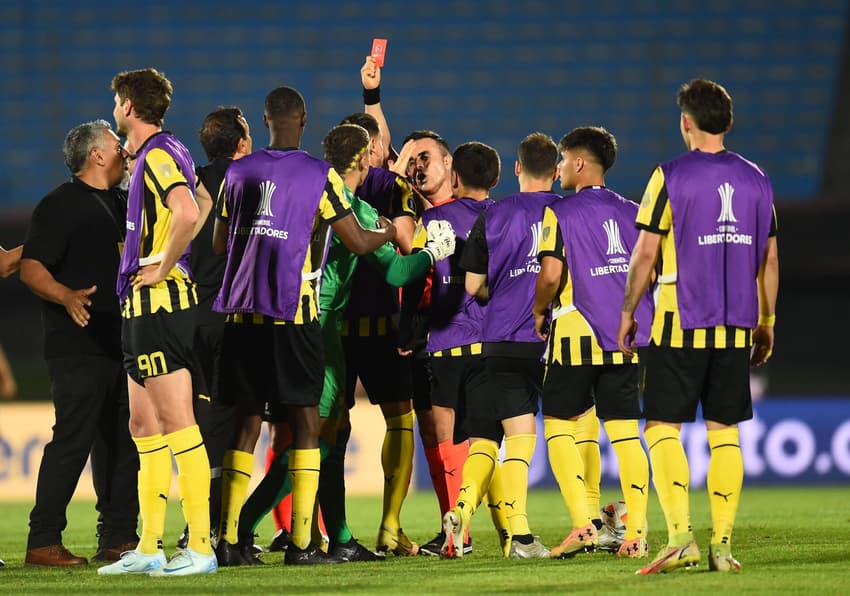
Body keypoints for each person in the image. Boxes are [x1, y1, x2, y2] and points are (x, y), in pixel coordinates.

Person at [229, 123, 456, 565]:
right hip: (322, 329)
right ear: (366, 157)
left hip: (278, 320)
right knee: (316, 438)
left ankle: (339, 537)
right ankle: (243, 528)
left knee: (327, 433)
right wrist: (432, 254)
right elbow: (397, 273)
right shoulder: (357, 211)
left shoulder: (303, 193)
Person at [212, 87, 395, 566]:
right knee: (306, 423)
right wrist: (390, 231)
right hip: (293, 314)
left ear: (265, 119)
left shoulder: (237, 172)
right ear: (304, 120)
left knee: (246, 423)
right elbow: (357, 242)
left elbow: (219, 244)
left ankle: (227, 541)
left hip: (242, 314)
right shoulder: (319, 175)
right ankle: (300, 545)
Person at [617, 79, 779, 575]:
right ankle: (723, 547)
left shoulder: (668, 176)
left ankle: (680, 539)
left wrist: (627, 311)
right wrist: (767, 321)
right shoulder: (757, 180)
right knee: (724, 431)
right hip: (736, 326)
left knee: (662, 427)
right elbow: (770, 258)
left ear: (685, 121)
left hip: (678, 323)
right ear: (728, 122)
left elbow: (646, 251)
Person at [98, 68, 216, 577]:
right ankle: (149, 546)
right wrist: (173, 254)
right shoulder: (164, 151)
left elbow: (187, 211)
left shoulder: (159, 154)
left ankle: (202, 548)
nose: (115, 110)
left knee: (176, 422)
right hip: (139, 304)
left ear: (128, 105)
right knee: (142, 425)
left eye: (116, 103)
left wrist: (167, 263)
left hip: (161, 303)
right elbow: (204, 201)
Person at [19, 120, 139, 567]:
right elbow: (32, 268)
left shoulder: (124, 202)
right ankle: (43, 540)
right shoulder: (58, 204)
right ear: (97, 155)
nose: (124, 151)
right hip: (77, 343)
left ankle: (119, 537)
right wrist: (66, 296)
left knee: (122, 442)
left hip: (121, 341)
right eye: (116, 145)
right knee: (73, 440)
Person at [532, 126, 652, 559]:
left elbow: (550, 275)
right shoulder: (634, 212)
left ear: (579, 162)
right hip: (623, 337)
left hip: (574, 335)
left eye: (563, 159)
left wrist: (539, 311)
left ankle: (583, 525)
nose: (559, 167)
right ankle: (637, 533)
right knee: (626, 434)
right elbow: (650, 270)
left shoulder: (560, 213)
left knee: (559, 425)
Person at [443, 133, 561, 559]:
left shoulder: (493, 215)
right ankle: (521, 535)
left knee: (485, 438)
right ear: (557, 171)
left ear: (517, 168)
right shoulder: (565, 210)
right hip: (545, 340)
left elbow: (472, 285)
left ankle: (461, 509)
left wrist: (502, 293)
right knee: (528, 436)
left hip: (494, 340)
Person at [404, 141, 514, 559]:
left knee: (447, 437)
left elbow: (416, 276)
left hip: (448, 342)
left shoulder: (433, 220)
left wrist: (406, 331)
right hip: (494, 343)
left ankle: (457, 534)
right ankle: (509, 531)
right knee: (485, 442)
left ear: (454, 175)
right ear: (497, 178)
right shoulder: (504, 217)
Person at [169, 106, 253, 552]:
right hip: (233, 315)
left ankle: (207, 525)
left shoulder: (189, 185)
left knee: (201, 422)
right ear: (240, 143)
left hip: (191, 315)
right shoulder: (251, 182)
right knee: (231, 424)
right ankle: (212, 529)